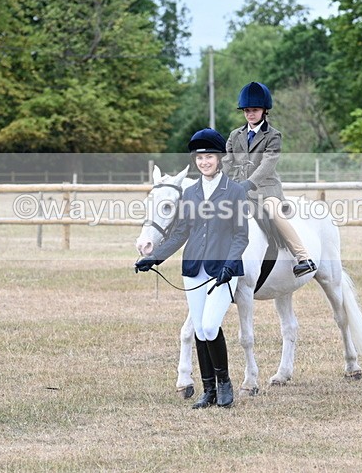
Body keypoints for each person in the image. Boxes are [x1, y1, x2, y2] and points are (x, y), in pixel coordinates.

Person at [134, 128, 249, 409]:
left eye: (209, 157)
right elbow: (180, 233)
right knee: (199, 328)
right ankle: (208, 390)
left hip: (223, 270)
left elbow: (241, 236)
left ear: (219, 159)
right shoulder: (190, 193)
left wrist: (230, 264)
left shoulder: (235, 191)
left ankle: (224, 383)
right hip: (194, 268)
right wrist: (155, 258)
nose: (204, 162)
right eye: (199, 158)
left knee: (210, 326)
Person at [223, 81, 317, 278]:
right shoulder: (235, 135)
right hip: (240, 188)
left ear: (264, 110)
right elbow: (227, 161)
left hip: (266, 190)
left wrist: (249, 183)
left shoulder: (273, 135)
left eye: (255, 110)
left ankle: (303, 258)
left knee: (274, 212)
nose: (250, 114)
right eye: (247, 110)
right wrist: (214, 180)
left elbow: (268, 164)